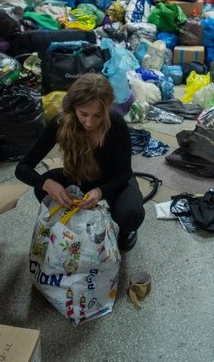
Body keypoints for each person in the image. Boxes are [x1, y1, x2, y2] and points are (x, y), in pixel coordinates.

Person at [15, 73, 144, 252]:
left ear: (107, 108)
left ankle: (126, 230)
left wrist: (100, 191)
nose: (90, 123)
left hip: (113, 178)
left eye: (98, 115)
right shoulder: (60, 123)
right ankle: (71, 219)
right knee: (42, 189)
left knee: (132, 214)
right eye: (83, 114)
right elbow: (22, 168)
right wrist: (48, 184)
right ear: (73, 107)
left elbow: (124, 172)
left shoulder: (116, 123)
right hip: (79, 176)